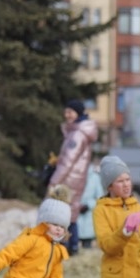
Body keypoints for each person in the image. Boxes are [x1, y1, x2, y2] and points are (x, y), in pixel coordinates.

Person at [48, 99, 99, 255]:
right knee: (70, 214)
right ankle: (71, 248)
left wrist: (54, 181)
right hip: (75, 178)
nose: (67, 115)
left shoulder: (77, 134)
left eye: (70, 112)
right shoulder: (77, 132)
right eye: (66, 111)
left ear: (78, 113)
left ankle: (68, 249)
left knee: (63, 215)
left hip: (68, 180)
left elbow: (68, 161)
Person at [75, 158, 104, 250]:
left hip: (88, 215)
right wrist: (76, 205)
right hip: (75, 214)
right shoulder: (74, 176)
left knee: (87, 244)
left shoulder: (95, 178)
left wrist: (89, 205)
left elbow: (100, 197)